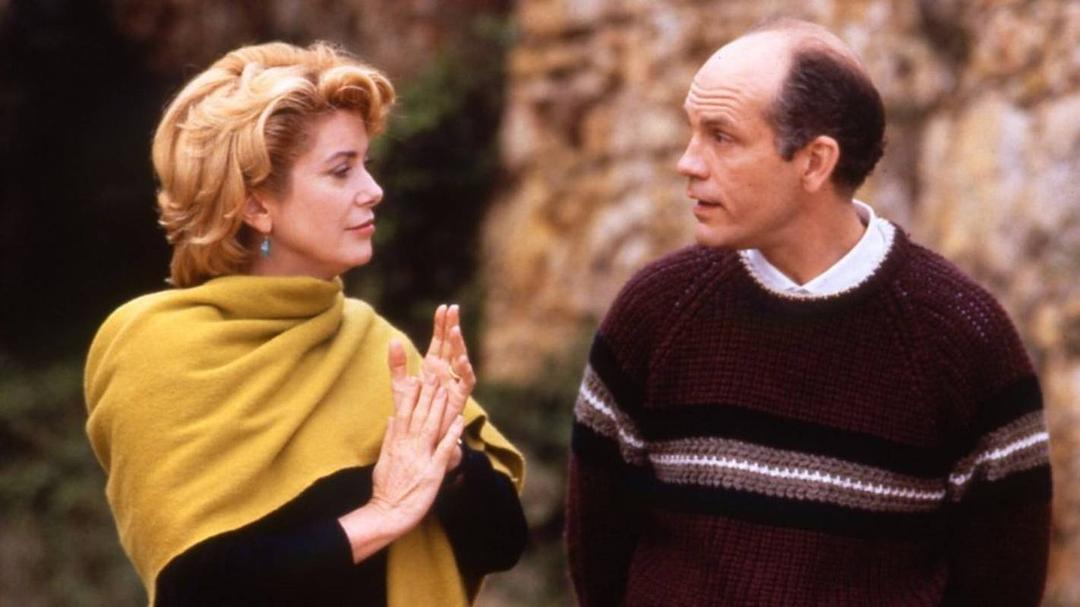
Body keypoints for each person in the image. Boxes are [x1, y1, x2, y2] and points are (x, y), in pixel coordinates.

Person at [566, 17, 1052, 607]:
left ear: (815, 161)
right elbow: (598, 560)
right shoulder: (656, 312)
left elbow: (1003, 584)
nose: (687, 162)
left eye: (721, 137)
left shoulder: (963, 337)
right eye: (692, 131)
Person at [84, 41, 526, 606]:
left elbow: (501, 544)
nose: (373, 191)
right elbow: (194, 587)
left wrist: (449, 453)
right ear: (256, 206)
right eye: (342, 170)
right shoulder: (154, 346)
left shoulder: (377, 345)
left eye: (366, 164)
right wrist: (380, 516)